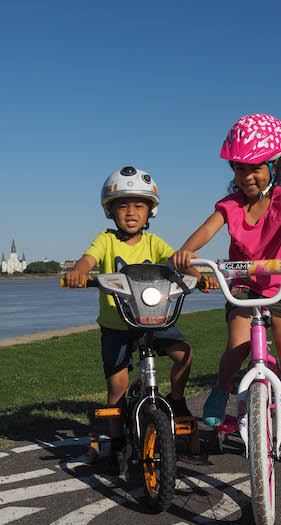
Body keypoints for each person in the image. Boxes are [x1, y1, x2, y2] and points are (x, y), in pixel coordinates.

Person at [172, 114, 281, 477]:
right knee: (237, 346)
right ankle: (222, 387)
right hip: (243, 286)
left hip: (280, 288)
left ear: (275, 165)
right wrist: (185, 252)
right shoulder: (229, 206)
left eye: (255, 167)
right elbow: (204, 232)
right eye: (239, 168)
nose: (247, 176)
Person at [65, 166, 207, 466]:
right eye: (123, 205)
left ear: (149, 211)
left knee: (184, 354)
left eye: (139, 205)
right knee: (116, 387)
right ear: (110, 210)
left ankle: (177, 399)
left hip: (155, 321)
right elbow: (88, 259)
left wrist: (198, 276)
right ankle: (116, 441)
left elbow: (176, 262)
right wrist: (80, 271)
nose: (131, 212)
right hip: (117, 325)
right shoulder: (106, 241)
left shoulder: (154, 244)